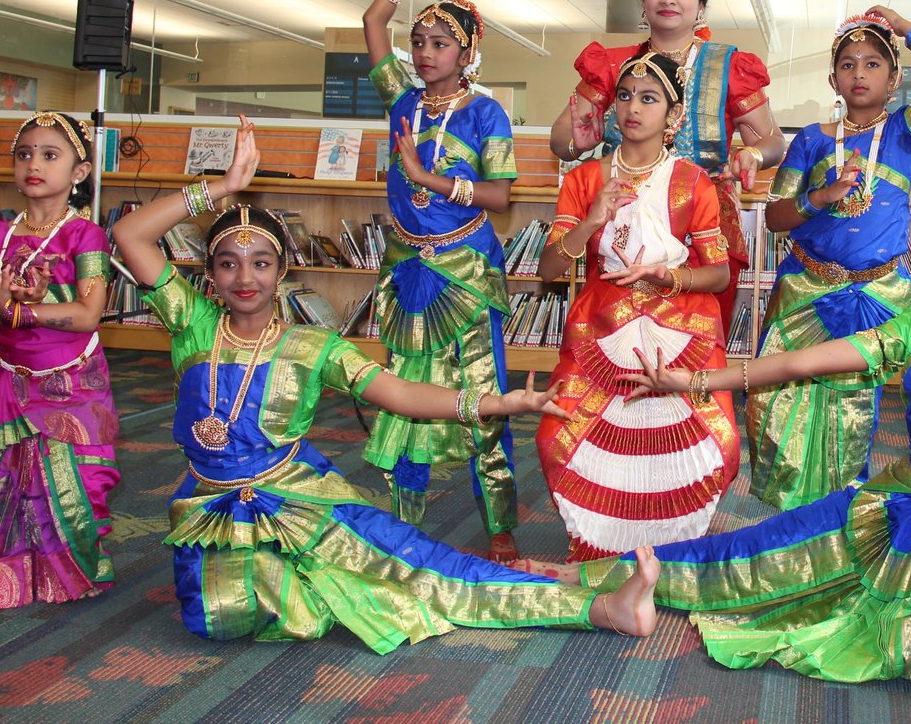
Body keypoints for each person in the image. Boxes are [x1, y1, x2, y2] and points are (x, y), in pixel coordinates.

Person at [547, 94, 911, 695]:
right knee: (760, 560)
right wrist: (694, 382)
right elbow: (798, 362)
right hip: (902, 508)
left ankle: (905, 611)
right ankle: (613, 574)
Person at [109, 117, 660, 649]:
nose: (245, 277)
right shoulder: (192, 324)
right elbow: (129, 234)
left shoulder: (310, 346)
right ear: (209, 275)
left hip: (298, 504)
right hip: (207, 510)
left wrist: (495, 401)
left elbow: (398, 394)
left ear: (282, 274)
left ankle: (601, 608)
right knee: (217, 618)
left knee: (421, 572)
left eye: (261, 263)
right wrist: (224, 189)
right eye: (229, 264)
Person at [747, 7, 911, 509]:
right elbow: (777, 217)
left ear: (894, 79)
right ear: (833, 78)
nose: (859, 73)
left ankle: (844, 512)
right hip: (808, 289)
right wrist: (819, 198)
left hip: (876, 293)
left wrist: (906, 27)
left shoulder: (909, 132)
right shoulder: (812, 139)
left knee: (853, 410)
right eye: (848, 64)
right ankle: (789, 516)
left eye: (872, 64)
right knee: (782, 402)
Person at [359, 0, 523, 561]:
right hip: (406, 268)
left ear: (468, 54)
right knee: (402, 393)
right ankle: (404, 511)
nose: (425, 52)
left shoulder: (487, 114)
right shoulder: (400, 96)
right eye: (420, 40)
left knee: (482, 395)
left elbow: (502, 196)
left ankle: (500, 519)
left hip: (464, 270)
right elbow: (374, 22)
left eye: (440, 43)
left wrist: (429, 177)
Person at [536, 53, 735, 561]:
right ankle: (604, 550)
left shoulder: (693, 182)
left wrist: (669, 275)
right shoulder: (583, 180)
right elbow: (548, 271)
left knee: (719, 443)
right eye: (625, 95)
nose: (632, 107)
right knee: (557, 434)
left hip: (680, 322)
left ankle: (669, 553)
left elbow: (719, 273)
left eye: (649, 98)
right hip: (601, 321)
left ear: (673, 116)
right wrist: (591, 218)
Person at [549, 0, 785, 326]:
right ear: (644, 4)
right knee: (615, 336)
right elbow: (562, 140)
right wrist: (582, 141)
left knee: (694, 348)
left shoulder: (729, 65)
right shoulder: (615, 66)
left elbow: (773, 140)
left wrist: (753, 154)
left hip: (703, 230)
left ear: (701, 6)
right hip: (624, 225)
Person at [0, 111, 117, 607]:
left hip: (72, 384)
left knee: (73, 486)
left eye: (49, 155)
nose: (33, 165)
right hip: (6, 381)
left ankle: (67, 574)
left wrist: (16, 310)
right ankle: (8, 574)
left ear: (79, 173)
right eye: (24, 155)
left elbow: (87, 315)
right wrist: (3, 308)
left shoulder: (86, 238)